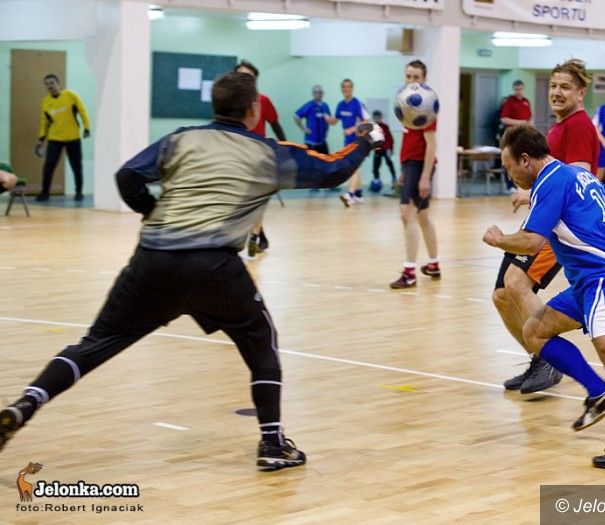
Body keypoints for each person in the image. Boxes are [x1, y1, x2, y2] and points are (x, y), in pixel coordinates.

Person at [0, 72, 384, 472]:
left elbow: (127, 176)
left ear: (214, 106)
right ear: (255, 110)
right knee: (261, 342)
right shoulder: (267, 152)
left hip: (153, 260)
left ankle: (27, 403)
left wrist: (151, 211)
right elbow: (331, 170)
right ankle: (273, 443)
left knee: (95, 344)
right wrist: (365, 140)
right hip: (214, 267)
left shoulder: (181, 139)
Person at [484, 124, 605, 469]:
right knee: (535, 332)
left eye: (509, 167)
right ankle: (598, 391)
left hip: (603, 280)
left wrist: (499, 239)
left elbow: (532, 242)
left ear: (525, 160)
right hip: (589, 283)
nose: (509, 175)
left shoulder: (549, 182)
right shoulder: (579, 176)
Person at [494, 58, 599, 395]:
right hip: (545, 218)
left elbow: (579, 176)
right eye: (553, 85)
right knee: (502, 295)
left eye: (565, 87)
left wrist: (531, 195)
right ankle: (541, 357)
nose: (557, 92)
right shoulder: (558, 127)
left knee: (516, 282)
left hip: (560, 227)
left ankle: (550, 358)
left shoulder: (578, 126)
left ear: (580, 93)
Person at [389, 60, 440, 289]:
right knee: (422, 216)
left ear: (424, 79)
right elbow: (409, 141)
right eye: (408, 76)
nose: (411, 81)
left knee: (406, 214)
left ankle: (409, 272)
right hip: (410, 165)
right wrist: (404, 170)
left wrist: (425, 177)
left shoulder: (425, 105)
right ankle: (434, 264)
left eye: (416, 77)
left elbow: (431, 145)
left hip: (420, 166)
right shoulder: (405, 103)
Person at [233, 60, 287, 257]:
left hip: (260, 156)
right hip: (237, 155)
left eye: (248, 77)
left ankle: (254, 237)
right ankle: (260, 235)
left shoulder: (263, 101)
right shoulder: (230, 103)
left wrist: (285, 149)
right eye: (240, 76)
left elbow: (276, 125)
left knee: (257, 197)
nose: (244, 80)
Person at [35, 74, 90, 202]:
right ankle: (45, 193)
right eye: (47, 84)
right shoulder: (46, 101)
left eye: (52, 83)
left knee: (76, 166)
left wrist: (87, 128)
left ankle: (79, 193)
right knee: (48, 167)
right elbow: (45, 122)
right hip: (55, 139)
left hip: (73, 138)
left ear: (58, 83)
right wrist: (41, 139)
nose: (49, 86)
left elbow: (82, 111)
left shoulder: (70, 95)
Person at [328, 79, 370, 206]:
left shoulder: (357, 104)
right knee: (354, 167)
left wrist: (352, 129)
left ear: (352, 88)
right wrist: (329, 120)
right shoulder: (340, 105)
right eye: (344, 87)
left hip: (359, 140)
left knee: (352, 167)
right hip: (347, 141)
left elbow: (367, 120)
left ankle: (350, 195)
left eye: (349, 86)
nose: (346, 89)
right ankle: (359, 195)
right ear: (342, 89)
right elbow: (335, 120)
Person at [499, 80, 533, 191]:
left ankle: (523, 185)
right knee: (511, 160)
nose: (519, 91)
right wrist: (519, 122)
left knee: (523, 160)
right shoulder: (509, 102)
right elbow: (504, 119)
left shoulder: (526, 101)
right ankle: (510, 185)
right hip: (512, 136)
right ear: (514, 89)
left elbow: (529, 118)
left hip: (524, 135)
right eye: (517, 89)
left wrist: (530, 126)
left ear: (523, 89)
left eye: (521, 89)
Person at [294, 85, 333, 154]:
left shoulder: (325, 106)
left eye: (320, 92)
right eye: (316, 92)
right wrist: (303, 129)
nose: (318, 94)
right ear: (313, 93)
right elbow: (296, 116)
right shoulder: (309, 105)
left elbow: (330, 120)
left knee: (327, 160)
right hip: (311, 144)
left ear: (323, 93)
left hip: (322, 143)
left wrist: (329, 120)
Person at [371, 110, 396, 188]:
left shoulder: (385, 127)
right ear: (373, 118)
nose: (377, 120)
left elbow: (390, 139)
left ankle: (394, 180)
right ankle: (376, 181)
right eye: (375, 118)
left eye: (378, 118)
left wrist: (390, 150)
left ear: (381, 118)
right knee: (375, 168)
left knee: (390, 164)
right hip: (377, 151)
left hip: (386, 150)